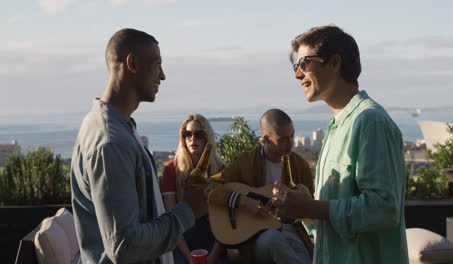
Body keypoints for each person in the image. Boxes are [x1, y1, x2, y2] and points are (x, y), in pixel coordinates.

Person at [272, 25, 409, 264]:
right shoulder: (337, 126)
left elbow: (383, 209)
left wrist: (312, 207)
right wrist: (306, 210)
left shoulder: (370, 121)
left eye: (304, 63)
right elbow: (335, 222)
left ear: (335, 63)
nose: (297, 74)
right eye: (296, 66)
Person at [70, 28, 207, 264]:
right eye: (157, 65)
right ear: (132, 63)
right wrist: (188, 210)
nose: (162, 76)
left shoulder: (120, 128)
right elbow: (125, 246)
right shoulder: (110, 143)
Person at [209, 109, 314, 264]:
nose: (291, 143)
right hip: (257, 242)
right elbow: (212, 187)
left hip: (296, 238)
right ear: (267, 139)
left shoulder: (300, 166)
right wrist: (243, 201)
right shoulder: (246, 161)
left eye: (292, 135)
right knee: (273, 238)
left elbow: (311, 211)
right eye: (284, 139)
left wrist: (302, 208)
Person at [161, 114, 226, 264]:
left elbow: (225, 220)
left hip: (214, 237)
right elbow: (171, 219)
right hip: (181, 239)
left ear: (207, 138)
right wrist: (190, 258)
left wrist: (212, 257)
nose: (192, 138)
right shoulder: (171, 169)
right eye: (187, 134)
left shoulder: (221, 170)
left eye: (199, 134)